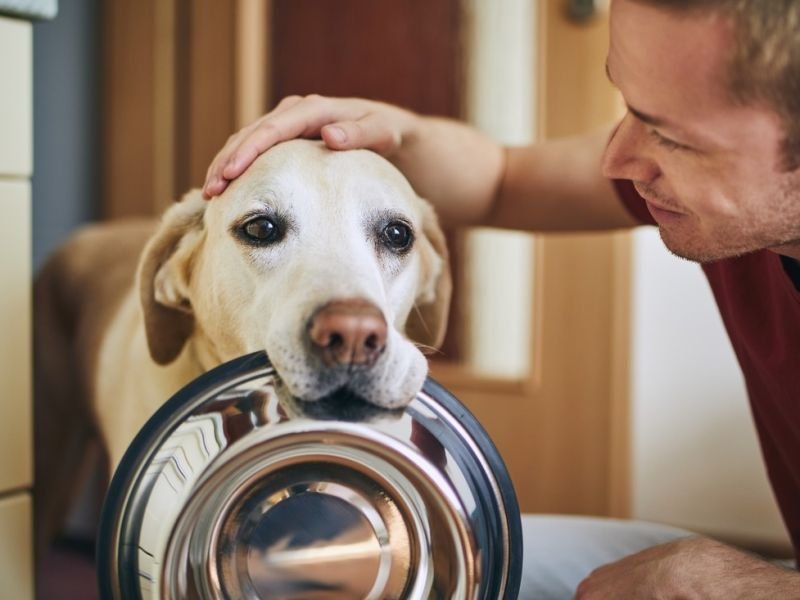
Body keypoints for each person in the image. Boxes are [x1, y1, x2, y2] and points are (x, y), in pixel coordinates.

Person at [203, 0, 800, 597]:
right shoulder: (705, 192)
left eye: (673, 138)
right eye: (630, 109)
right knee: (424, 559)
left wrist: (754, 588)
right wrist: (386, 129)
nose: (616, 161)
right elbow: (503, 177)